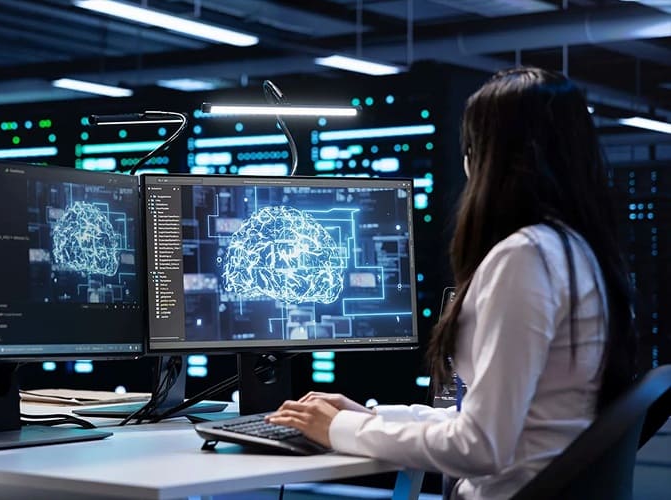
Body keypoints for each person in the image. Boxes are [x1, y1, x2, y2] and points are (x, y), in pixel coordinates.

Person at [267, 67, 636, 499]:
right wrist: (365, 417)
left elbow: (479, 447)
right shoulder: (575, 254)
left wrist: (343, 430)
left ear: (486, 159)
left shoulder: (524, 259)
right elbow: (492, 425)